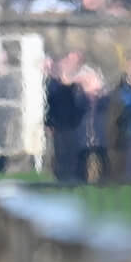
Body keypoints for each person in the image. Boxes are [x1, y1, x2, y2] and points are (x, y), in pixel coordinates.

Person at [45, 52, 84, 181]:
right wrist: (50, 123)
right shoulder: (53, 84)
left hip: (72, 125)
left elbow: (80, 106)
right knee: (61, 152)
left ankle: (72, 177)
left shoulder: (76, 85)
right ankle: (61, 177)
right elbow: (49, 104)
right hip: (59, 125)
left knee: (72, 152)